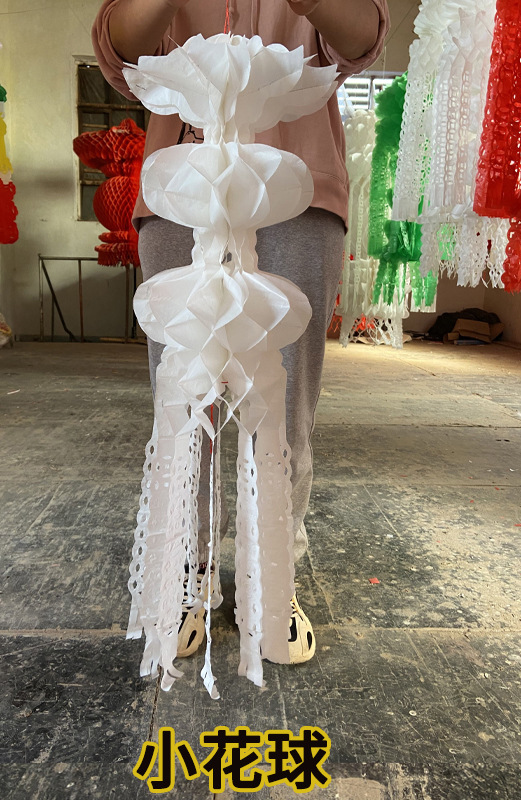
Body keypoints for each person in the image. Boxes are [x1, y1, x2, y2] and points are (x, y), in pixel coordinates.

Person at [92, 0, 389, 663]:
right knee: (185, 393)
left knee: (284, 400)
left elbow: (363, 38)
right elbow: (119, 49)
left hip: (297, 185)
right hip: (184, 187)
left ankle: (270, 574)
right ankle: (188, 568)